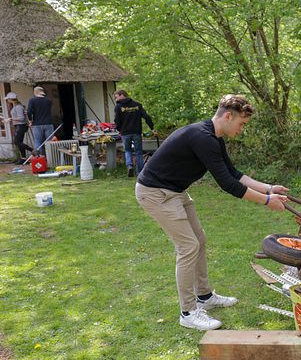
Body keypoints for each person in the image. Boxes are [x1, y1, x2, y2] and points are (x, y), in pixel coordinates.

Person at [135, 94, 289, 331]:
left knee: (200, 240)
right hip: (155, 193)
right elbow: (228, 184)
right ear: (228, 116)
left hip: (174, 191)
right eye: (241, 123)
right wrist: (267, 201)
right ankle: (187, 312)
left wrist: (268, 188)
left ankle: (204, 297)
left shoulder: (215, 138)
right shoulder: (203, 137)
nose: (242, 129)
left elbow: (235, 174)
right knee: (188, 247)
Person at [113, 90, 155, 177]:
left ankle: (129, 166)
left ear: (122, 95)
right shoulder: (137, 105)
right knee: (138, 152)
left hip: (125, 133)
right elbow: (146, 117)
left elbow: (117, 120)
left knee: (127, 150)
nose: (116, 99)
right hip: (136, 132)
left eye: (116, 97)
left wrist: (119, 129)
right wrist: (152, 128)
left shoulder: (118, 106)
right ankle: (140, 172)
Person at [5, 92, 33, 163]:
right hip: (18, 126)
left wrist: (11, 119)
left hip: (21, 126)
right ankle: (23, 158)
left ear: (10, 99)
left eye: (7, 99)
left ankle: (33, 150)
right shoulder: (15, 106)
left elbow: (21, 118)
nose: (7, 100)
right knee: (20, 142)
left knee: (16, 142)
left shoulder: (18, 107)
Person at [27, 86, 54, 155]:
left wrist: (30, 120)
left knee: (38, 142)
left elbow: (29, 112)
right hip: (48, 123)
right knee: (50, 142)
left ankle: (39, 159)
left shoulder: (32, 100)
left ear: (35, 92)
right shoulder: (49, 100)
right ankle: (51, 159)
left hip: (37, 124)